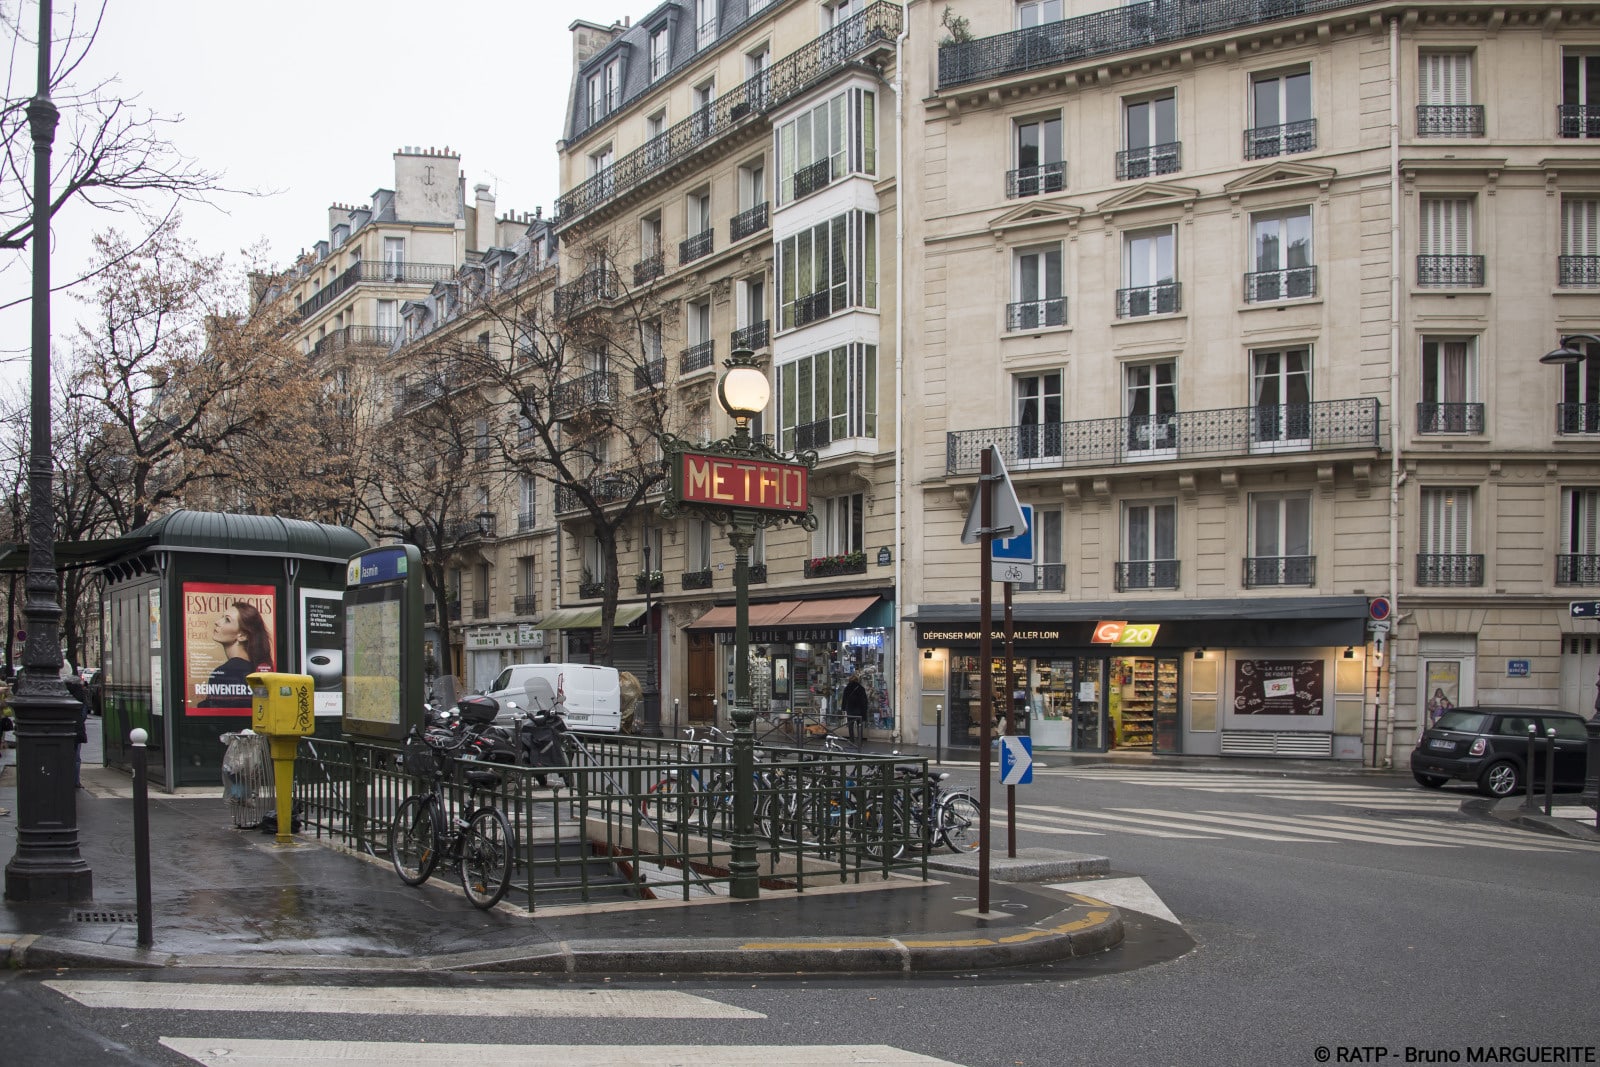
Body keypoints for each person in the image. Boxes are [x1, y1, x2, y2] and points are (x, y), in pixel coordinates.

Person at [197, 601, 274, 709]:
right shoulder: (255, 670)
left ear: (242, 635)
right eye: (221, 617)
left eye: (227, 620)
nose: (217, 622)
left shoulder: (226, 672)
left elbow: (216, 716)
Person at [841, 672, 869, 745]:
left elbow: (844, 699)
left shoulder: (847, 688)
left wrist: (843, 708)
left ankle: (851, 740)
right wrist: (865, 709)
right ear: (857, 680)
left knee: (850, 725)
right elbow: (864, 700)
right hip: (859, 710)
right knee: (859, 725)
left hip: (850, 709)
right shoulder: (861, 688)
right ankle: (860, 740)